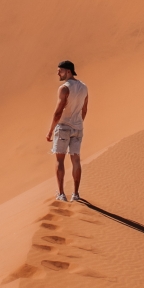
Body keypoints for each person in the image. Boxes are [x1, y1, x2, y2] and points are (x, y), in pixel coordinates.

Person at [47, 60, 89, 202]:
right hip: (78, 127)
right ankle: (76, 194)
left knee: (60, 159)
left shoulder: (64, 88)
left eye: (60, 70)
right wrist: (78, 123)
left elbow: (58, 112)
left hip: (64, 126)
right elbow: (84, 109)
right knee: (76, 159)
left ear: (68, 71)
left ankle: (61, 194)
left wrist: (50, 131)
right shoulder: (84, 87)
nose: (58, 73)